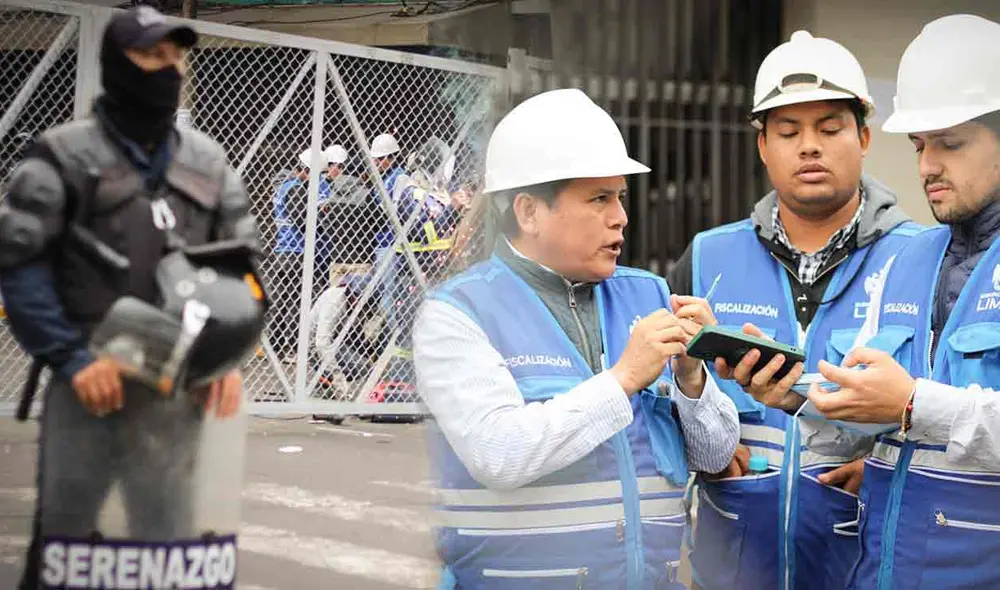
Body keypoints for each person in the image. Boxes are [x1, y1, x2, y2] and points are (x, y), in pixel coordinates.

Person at [413, 88, 740, 589]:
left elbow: (715, 456)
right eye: (598, 199)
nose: (621, 218)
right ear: (528, 212)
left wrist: (692, 379)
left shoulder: (648, 295)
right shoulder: (458, 314)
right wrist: (625, 379)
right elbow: (498, 454)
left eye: (620, 198)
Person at [0, 6, 263, 588]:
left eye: (175, 57)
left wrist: (226, 359)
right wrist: (72, 357)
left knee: (168, 546)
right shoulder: (62, 155)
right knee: (64, 551)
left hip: (179, 391)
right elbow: (21, 266)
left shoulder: (209, 162)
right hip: (90, 383)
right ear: (117, 65)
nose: (167, 68)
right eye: (151, 56)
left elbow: (242, 269)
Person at [749, 14, 1000, 590]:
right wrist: (795, 395)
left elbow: (909, 407)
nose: (927, 166)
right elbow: (866, 430)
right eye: (919, 145)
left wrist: (914, 402)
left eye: (951, 144)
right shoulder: (907, 260)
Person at [666, 31, 920, 590]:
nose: (810, 146)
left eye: (829, 129)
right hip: (731, 568)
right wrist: (702, 448)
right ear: (762, 146)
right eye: (788, 131)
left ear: (864, 137)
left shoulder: (920, 260)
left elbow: (950, 409)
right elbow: (659, 400)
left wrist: (892, 467)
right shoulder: (708, 257)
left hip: (867, 569)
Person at [269, 146, 330, 361]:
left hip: (283, 250)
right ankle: (294, 348)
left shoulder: (283, 188)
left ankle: (274, 346)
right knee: (297, 301)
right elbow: (303, 221)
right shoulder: (295, 189)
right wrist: (321, 225)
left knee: (280, 299)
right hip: (296, 252)